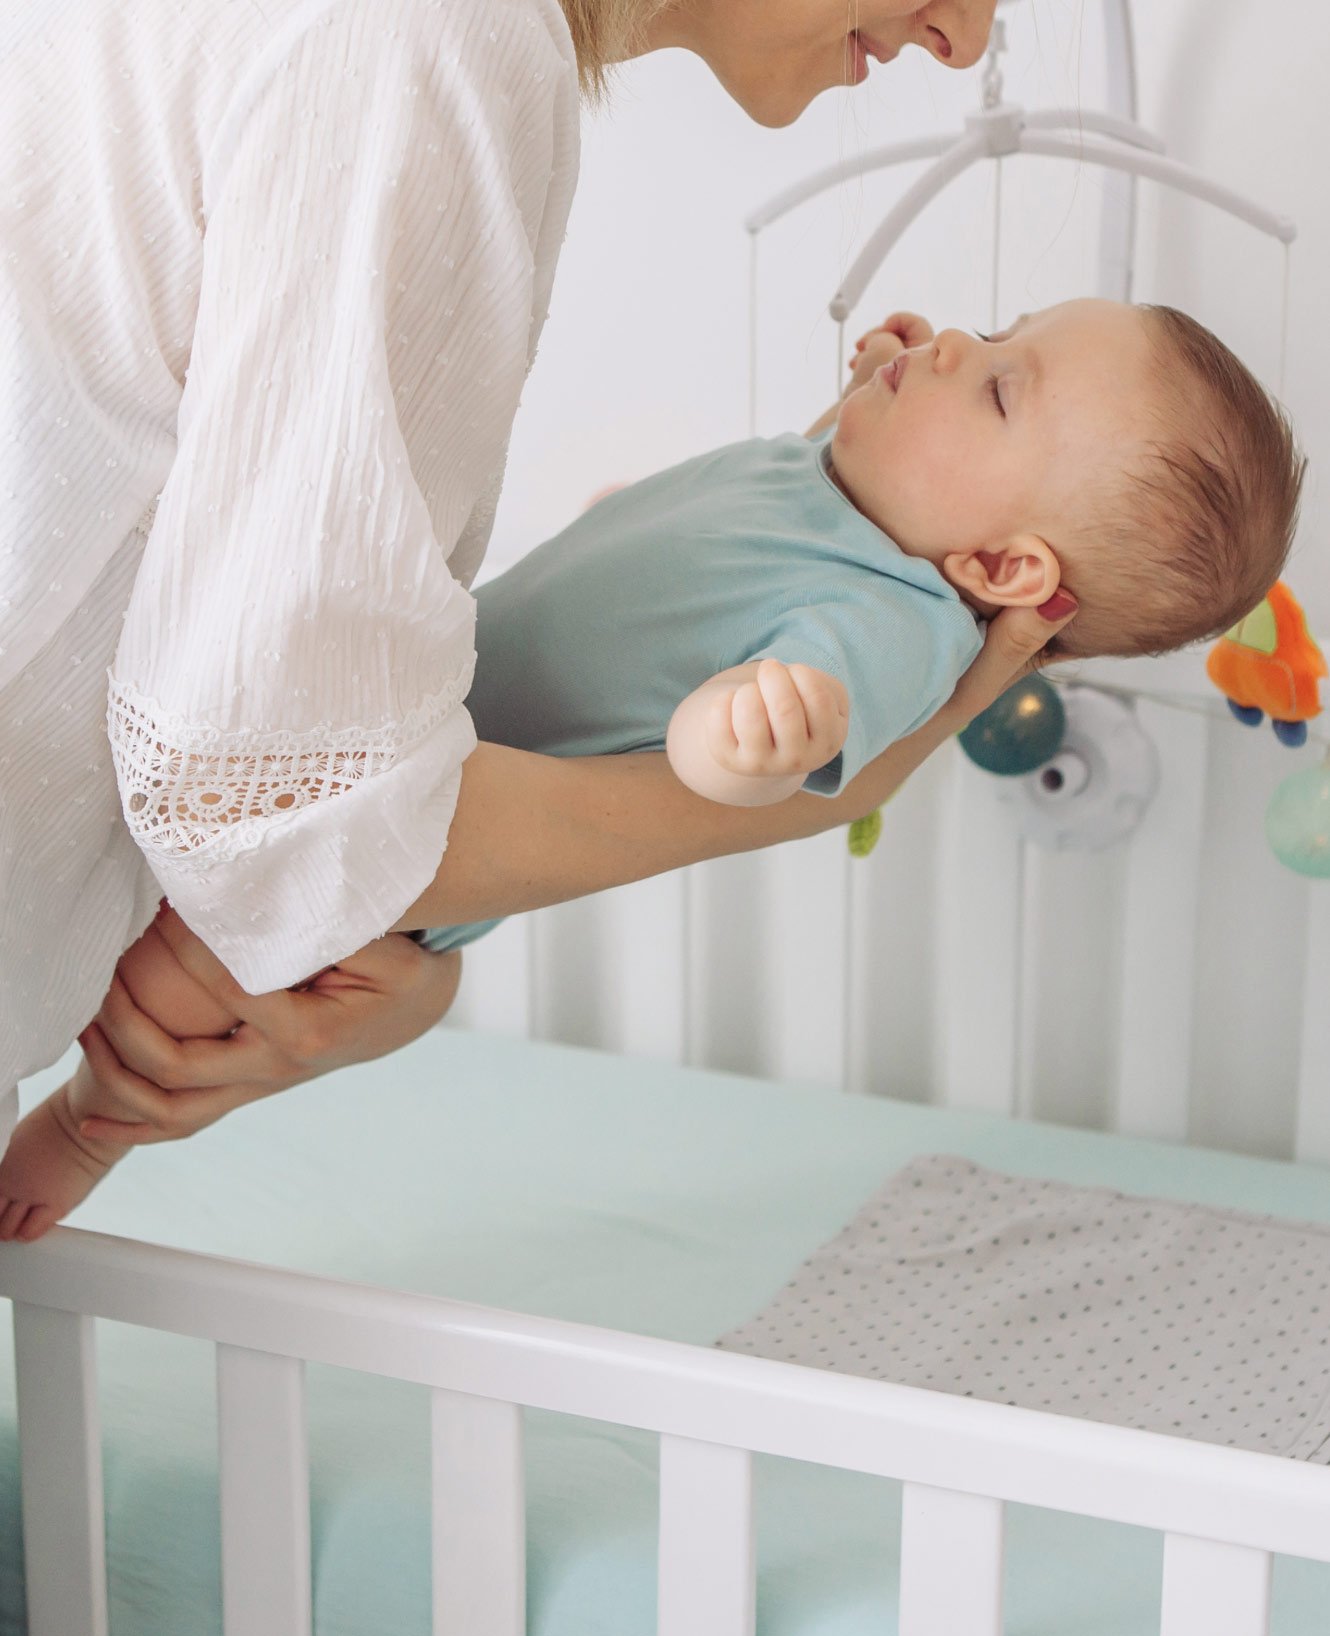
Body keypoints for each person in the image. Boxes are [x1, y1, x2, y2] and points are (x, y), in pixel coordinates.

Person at [2, 0, 1072, 1223]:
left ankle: (84, 1130)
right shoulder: (434, 41)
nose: (968, 41)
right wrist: (818, 803)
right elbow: (279, 800)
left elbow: (278, 775)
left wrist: (391, 923)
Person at [1, 297, 1301, 1237]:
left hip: (388, 879)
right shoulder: (840, 491)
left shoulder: (888, 625)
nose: (957, 342)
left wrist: (745, 734)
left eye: (1001, 386)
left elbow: (774, 763)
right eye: (1000, 328)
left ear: (1004, 574)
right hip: (379, 735)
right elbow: (792, 495)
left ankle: (84, 1128)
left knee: (169, 993)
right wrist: (892, 383)